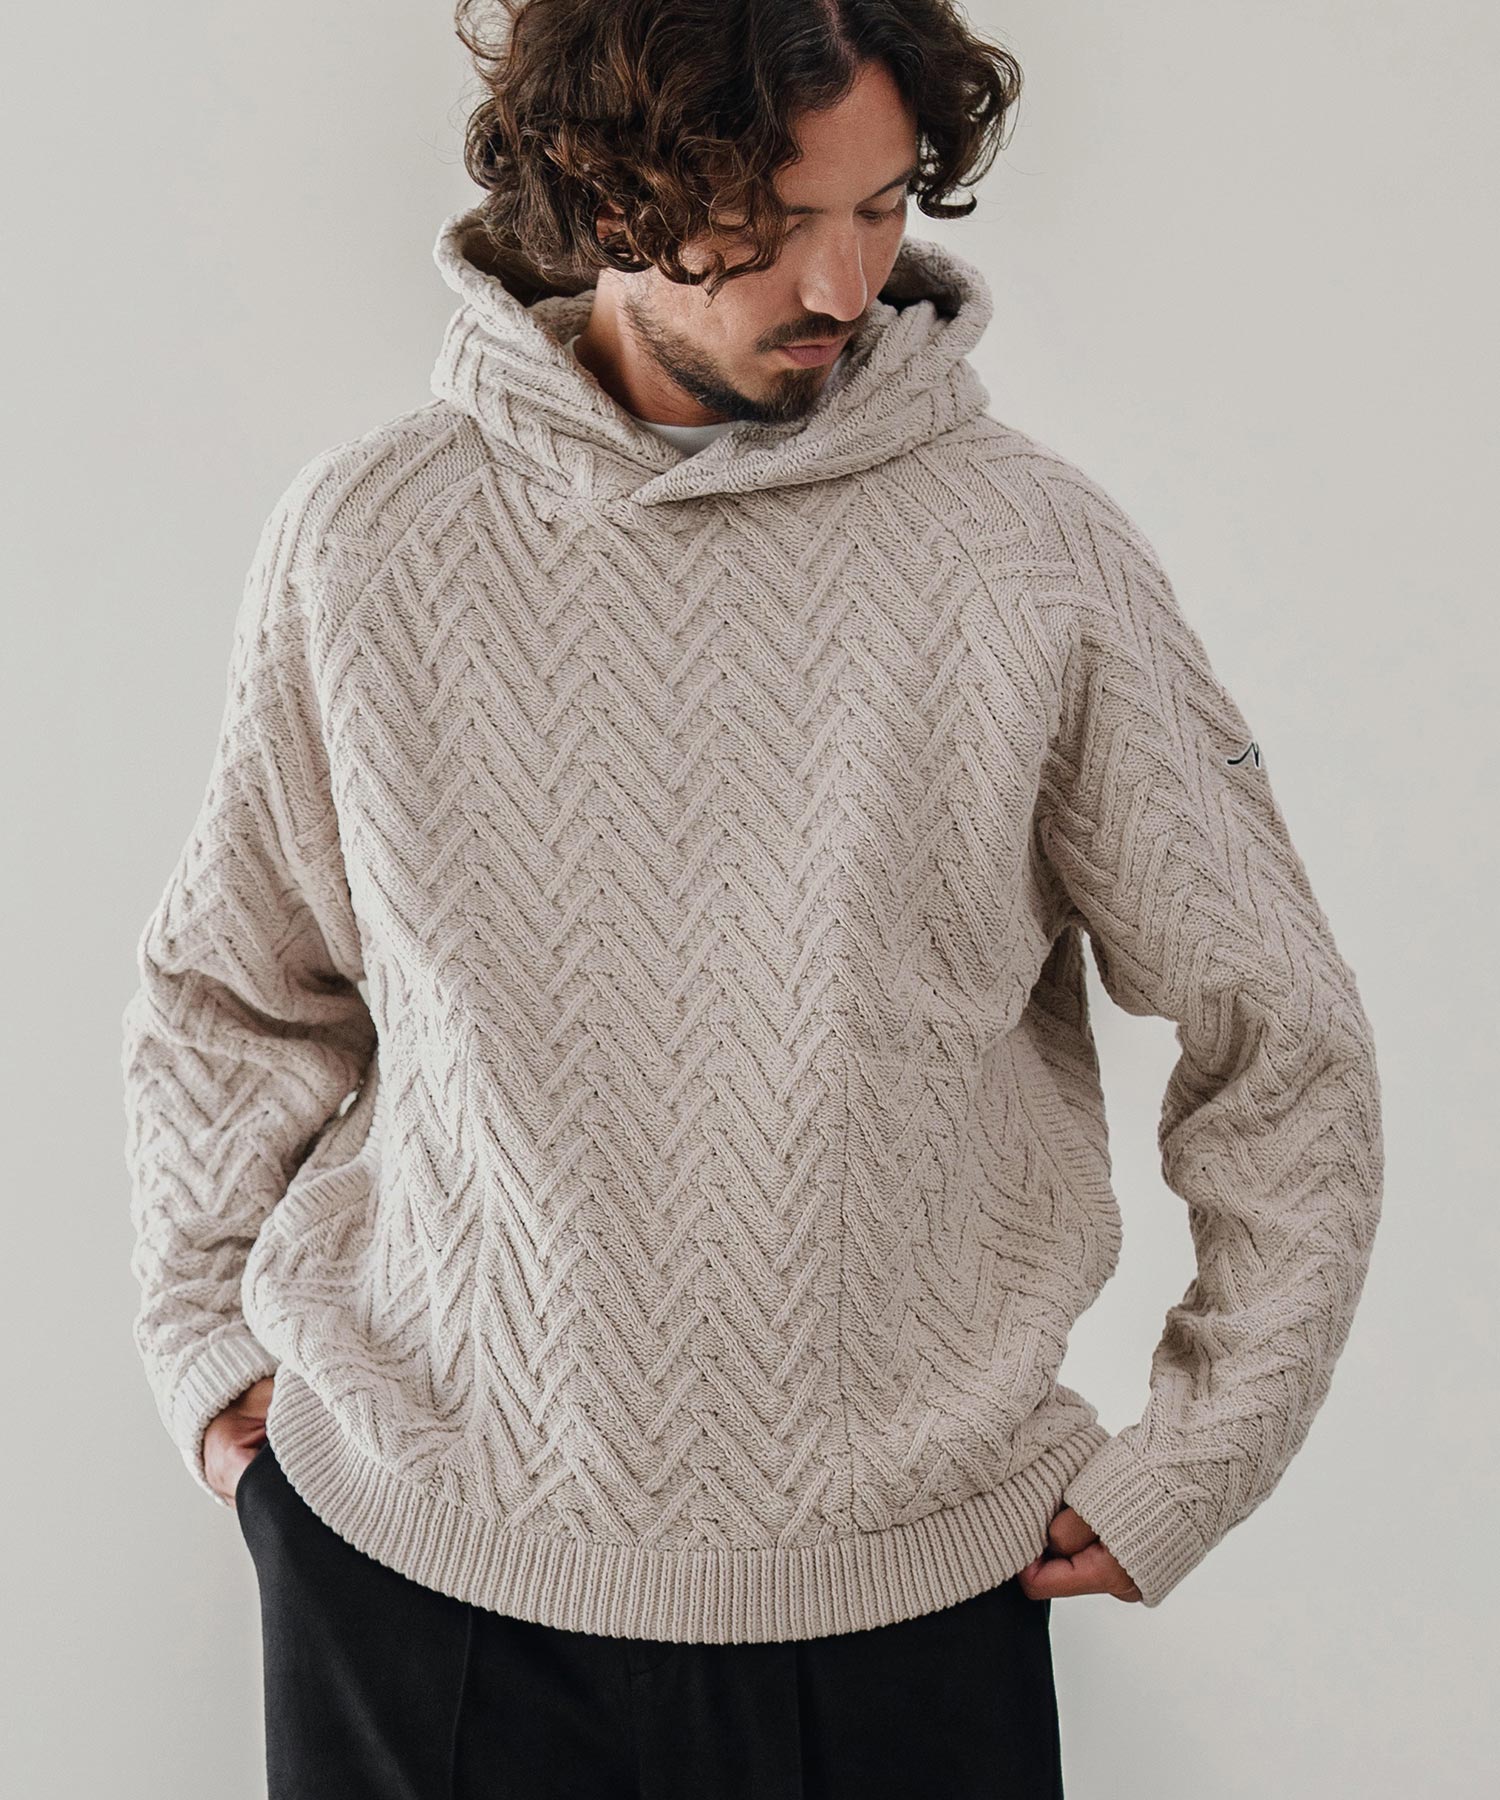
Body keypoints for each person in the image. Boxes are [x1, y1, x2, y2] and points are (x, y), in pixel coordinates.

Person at [120, 2, 1384, 1795]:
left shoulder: (1033, 556)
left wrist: (1207, 1446)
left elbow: (1284, 1033)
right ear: (603, 191)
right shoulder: (370, 538)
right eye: (774, 221)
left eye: (881, 207)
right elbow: (236, 991)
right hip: (419, 1585)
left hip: (903, 1607)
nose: (844, 282)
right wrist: (199, 1338)